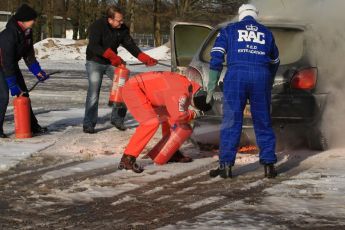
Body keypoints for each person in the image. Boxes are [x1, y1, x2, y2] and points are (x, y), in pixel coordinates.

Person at [207, 4, 280, 178]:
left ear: (240, 15)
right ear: (255, 15)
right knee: (263, 121)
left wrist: (211, 84)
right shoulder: (266, 32)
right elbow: (275, 61)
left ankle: (226, 165)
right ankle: (269, 165)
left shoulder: (229, 29)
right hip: (261, 76)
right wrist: (268, 81)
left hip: (236, 76)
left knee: (231, 121)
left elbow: (217, 55)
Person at [83, 5, 157, 134]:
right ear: (110, 19)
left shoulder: (122, 29)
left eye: (122, 20)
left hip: (112, 62)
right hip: (94, 61)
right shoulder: (97, 25)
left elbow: (130, 45)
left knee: (126, 88)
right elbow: (94, 45)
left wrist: (143, 57)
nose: (121, 23)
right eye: (118, 20)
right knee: (94, 92)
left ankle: (117, 119)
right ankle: (89, 124)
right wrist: (112, 56)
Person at [118, 71, 211, 173]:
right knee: (151, 122)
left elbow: (175, 112)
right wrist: (194, 114)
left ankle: (170, 152)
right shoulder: (180, 92)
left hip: (150, 92)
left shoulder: (191, 87)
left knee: (171, 119)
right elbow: (179, 115)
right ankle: (127, 159)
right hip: (133, 89)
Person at [0, 4, 49, 138]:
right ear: (23, 20)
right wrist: (12, 83)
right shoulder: (8, 34)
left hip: (10, 64)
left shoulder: (27, 32)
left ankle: (32, 126)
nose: (34, 22)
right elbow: (7, 61)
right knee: (3, 96)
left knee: (24, 95)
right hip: (3, 64)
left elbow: (28, 54)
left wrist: (37, 71)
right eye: (32, 19)